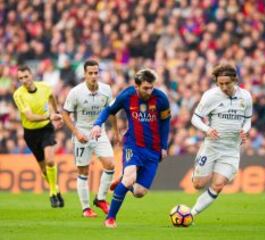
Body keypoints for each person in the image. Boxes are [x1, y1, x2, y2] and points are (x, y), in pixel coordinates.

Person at [90, 68, 171, 228]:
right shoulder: (127, 95)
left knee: (139, 192)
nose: (150, 91)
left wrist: (164, 146)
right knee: (129, 178)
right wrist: (97, 124)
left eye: (151, 87)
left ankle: (122, 182)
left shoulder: (161, 98)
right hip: (133, 144)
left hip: (153, 149)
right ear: (137, 86)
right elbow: (108, 109)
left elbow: (165, 122)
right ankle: (110, 218)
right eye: (146, 88)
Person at [189, 63, 252, 219]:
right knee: (198, 185)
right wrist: (207, 129)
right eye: (220, 83)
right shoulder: (210, 96)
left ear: (235, 80)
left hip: (231, 150)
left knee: (218, 185)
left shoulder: (246, 97)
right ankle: (197, 168)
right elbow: (195, 118)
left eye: (227, 83)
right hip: (212, 146)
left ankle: (191, 214)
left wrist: (245, 130)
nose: (224, 87)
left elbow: (248, 120)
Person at [62, 60, 118, 217]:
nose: (94, 76)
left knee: (110, 164)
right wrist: (76, 132)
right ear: (84, 74)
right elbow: (65, 113)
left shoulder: (106, 90)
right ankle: (86, 208)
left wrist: (117, 132)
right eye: (90, 73)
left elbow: (112, 111)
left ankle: (100, 199)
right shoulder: (75, 92)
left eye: (96, 73)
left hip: (99, 132)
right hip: (82, 134)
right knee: (83, 171)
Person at [13, 65, 64, 208]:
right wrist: (50, 115)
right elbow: (29, 117)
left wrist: (56, 111)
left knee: (50, 160)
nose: (24, 80)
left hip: (46, 129)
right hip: (30, 133)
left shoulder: (45, 87)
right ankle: (56, 188)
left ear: (32, 75)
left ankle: (52, 193)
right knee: (43, 169)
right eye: (20, 78)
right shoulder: (18, 94)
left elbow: (52, 97)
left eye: (26, 76)